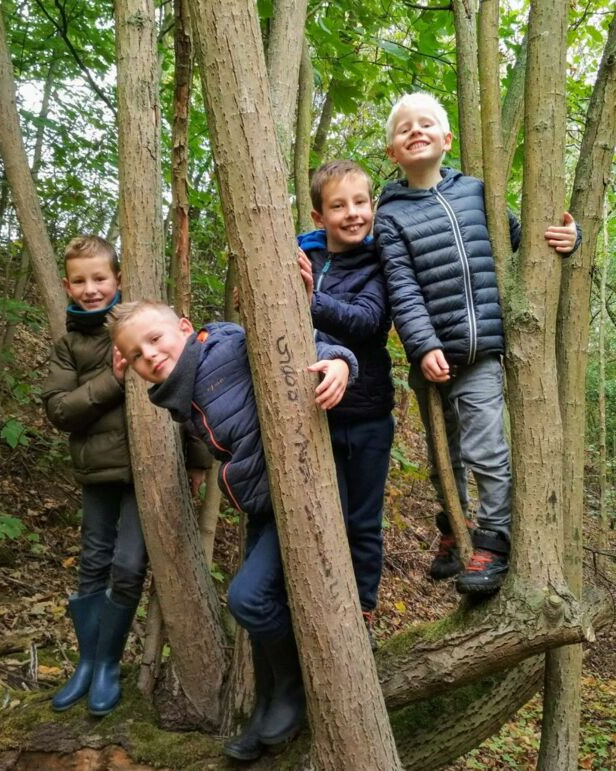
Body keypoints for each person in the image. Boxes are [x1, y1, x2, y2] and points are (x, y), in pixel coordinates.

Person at [107, 299, 358, 761]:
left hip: (306, 491)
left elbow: (295, 349)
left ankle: (293, 690)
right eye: (137, 354)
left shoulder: (223, 348)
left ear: (185, 328)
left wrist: (340, 363)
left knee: (248, 598)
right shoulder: (181, 391)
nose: (150, 355)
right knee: (257, 612)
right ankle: (264, 708)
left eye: (155, 339)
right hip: (267, 503)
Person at [373, 92, 581, 595]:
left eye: (427, 124)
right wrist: (423, 345)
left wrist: (567, 240)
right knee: (443, 452)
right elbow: (402, 287)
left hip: (481, 350)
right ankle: (456, 526)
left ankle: (493, 540)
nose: (416, 131)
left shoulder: (475, 193)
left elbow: (518, 238)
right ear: (392, 152)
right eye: (405, 128)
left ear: (447, 139)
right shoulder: (390, 217)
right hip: (433, 356)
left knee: (486, 448)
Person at [41, 236, 211, 716]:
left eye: (100, 278)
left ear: (117, 279)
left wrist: (197, 459)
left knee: (130, 565)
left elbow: (184, 385)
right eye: (80, 281)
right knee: (93, 562)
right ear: (67, 286)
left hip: (146, 472)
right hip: (98, 471)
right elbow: (59, 410)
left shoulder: (140, 330)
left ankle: (108, 665)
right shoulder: (69, 345)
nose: (91, 289)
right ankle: (86, 663)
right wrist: (113, 381)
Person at [296, 160, 394, 647]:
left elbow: (367, 321)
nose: (353, 213)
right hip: (314, 414)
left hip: (369, 416)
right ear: (320, 216)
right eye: (339, 206)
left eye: (361, 202)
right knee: (322, 516)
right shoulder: (302, 256)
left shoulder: (380, 260)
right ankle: (322, 609)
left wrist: (310, 299)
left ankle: (363, 610)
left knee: (362, 522)